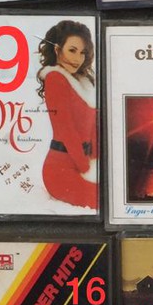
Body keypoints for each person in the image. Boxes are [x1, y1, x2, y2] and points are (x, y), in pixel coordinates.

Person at [36, 20, 98, 211]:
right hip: (61, 171)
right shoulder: (55, 78)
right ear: (57, 49)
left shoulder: (83, 82)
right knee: (105, 201)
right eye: (72, 50)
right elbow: (66, 130)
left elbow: (93, 127)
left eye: (82, 52)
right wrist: (86, 168)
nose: (78, 58)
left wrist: (96, 161)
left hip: (86, 163)